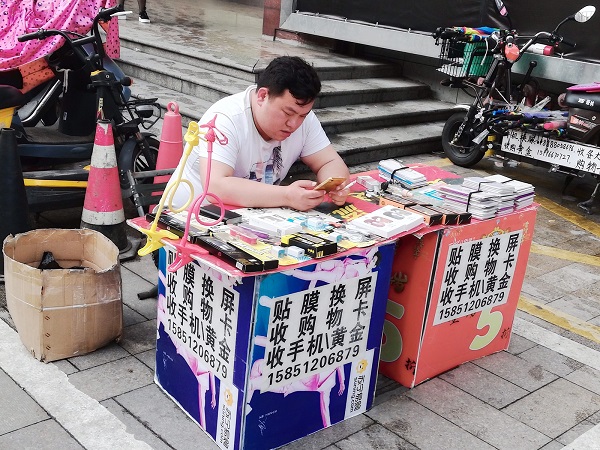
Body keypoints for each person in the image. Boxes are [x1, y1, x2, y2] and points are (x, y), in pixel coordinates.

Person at [168, 56, 351, 212]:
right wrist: (287, 196)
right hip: (189, 217)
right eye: (287, 113)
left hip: (249, 218)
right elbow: (216, 188)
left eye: (302, 115)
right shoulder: (226, 118)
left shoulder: (305, 120)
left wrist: (335, 185)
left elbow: (330, 161)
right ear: (262, 96)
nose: (294, 124)